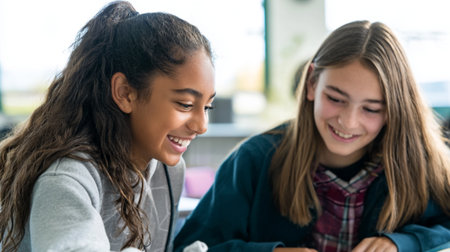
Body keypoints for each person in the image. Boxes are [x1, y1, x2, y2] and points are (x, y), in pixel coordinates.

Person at [174, 20, 450, 252]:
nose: (348, 121)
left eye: (371, 109)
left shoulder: (418, 161)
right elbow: (191, 246)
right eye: (335, 99)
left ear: (394, 110)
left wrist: (405, 242)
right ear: (311, 84)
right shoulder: (255, 160)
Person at [0, 1, 215, 251]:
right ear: (125, 93)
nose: (201, 126)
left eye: (207, 107)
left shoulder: (169, 171)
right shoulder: (66, 181)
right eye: (185, 104)